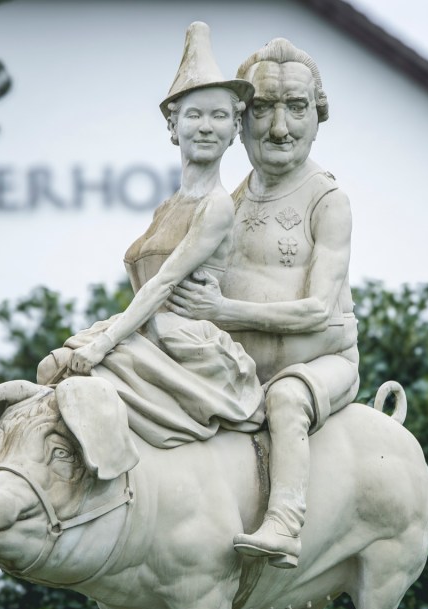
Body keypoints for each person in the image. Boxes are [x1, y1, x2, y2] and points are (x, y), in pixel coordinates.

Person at [168, 38, 360, 569]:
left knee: (288, 399)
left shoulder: (328, 201)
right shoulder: (226, 203)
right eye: (263, 109)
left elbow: (318, 309)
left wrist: (223, 313)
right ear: (240, 121)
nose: (279, 128)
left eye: (296, 108)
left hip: (319, 365)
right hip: (241, 371)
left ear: (317, 117)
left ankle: (284, 524)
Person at [38, 23, 264, 448]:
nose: (206, 126)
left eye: (219, 115)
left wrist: (103, 344)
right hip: (148, 333)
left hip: (185, 346)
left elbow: (164, 282)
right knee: (53, 367)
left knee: (83, 379)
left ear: (235, 128)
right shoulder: (167, 207)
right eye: (194, 115)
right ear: (174, 126)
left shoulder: (216, 205)